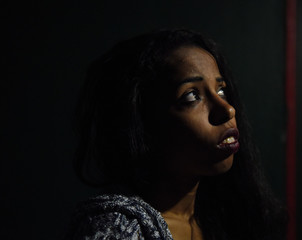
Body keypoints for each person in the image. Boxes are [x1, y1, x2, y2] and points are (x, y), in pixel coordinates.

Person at [68, 29, 286, 240]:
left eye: (221, 91)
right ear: (142, 122)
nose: (227, 109)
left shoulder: (228, 218)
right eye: (192, 96)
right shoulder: (119, 230)